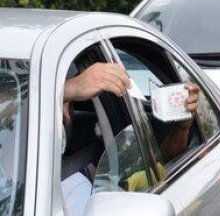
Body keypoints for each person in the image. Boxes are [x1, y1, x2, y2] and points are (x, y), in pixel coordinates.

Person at [61, 62, 199, 216]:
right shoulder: (76, 191)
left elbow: (161, 167)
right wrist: (69, 89)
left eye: (66, 104)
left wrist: (182, 128)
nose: (60, 115)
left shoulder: (77, 189)